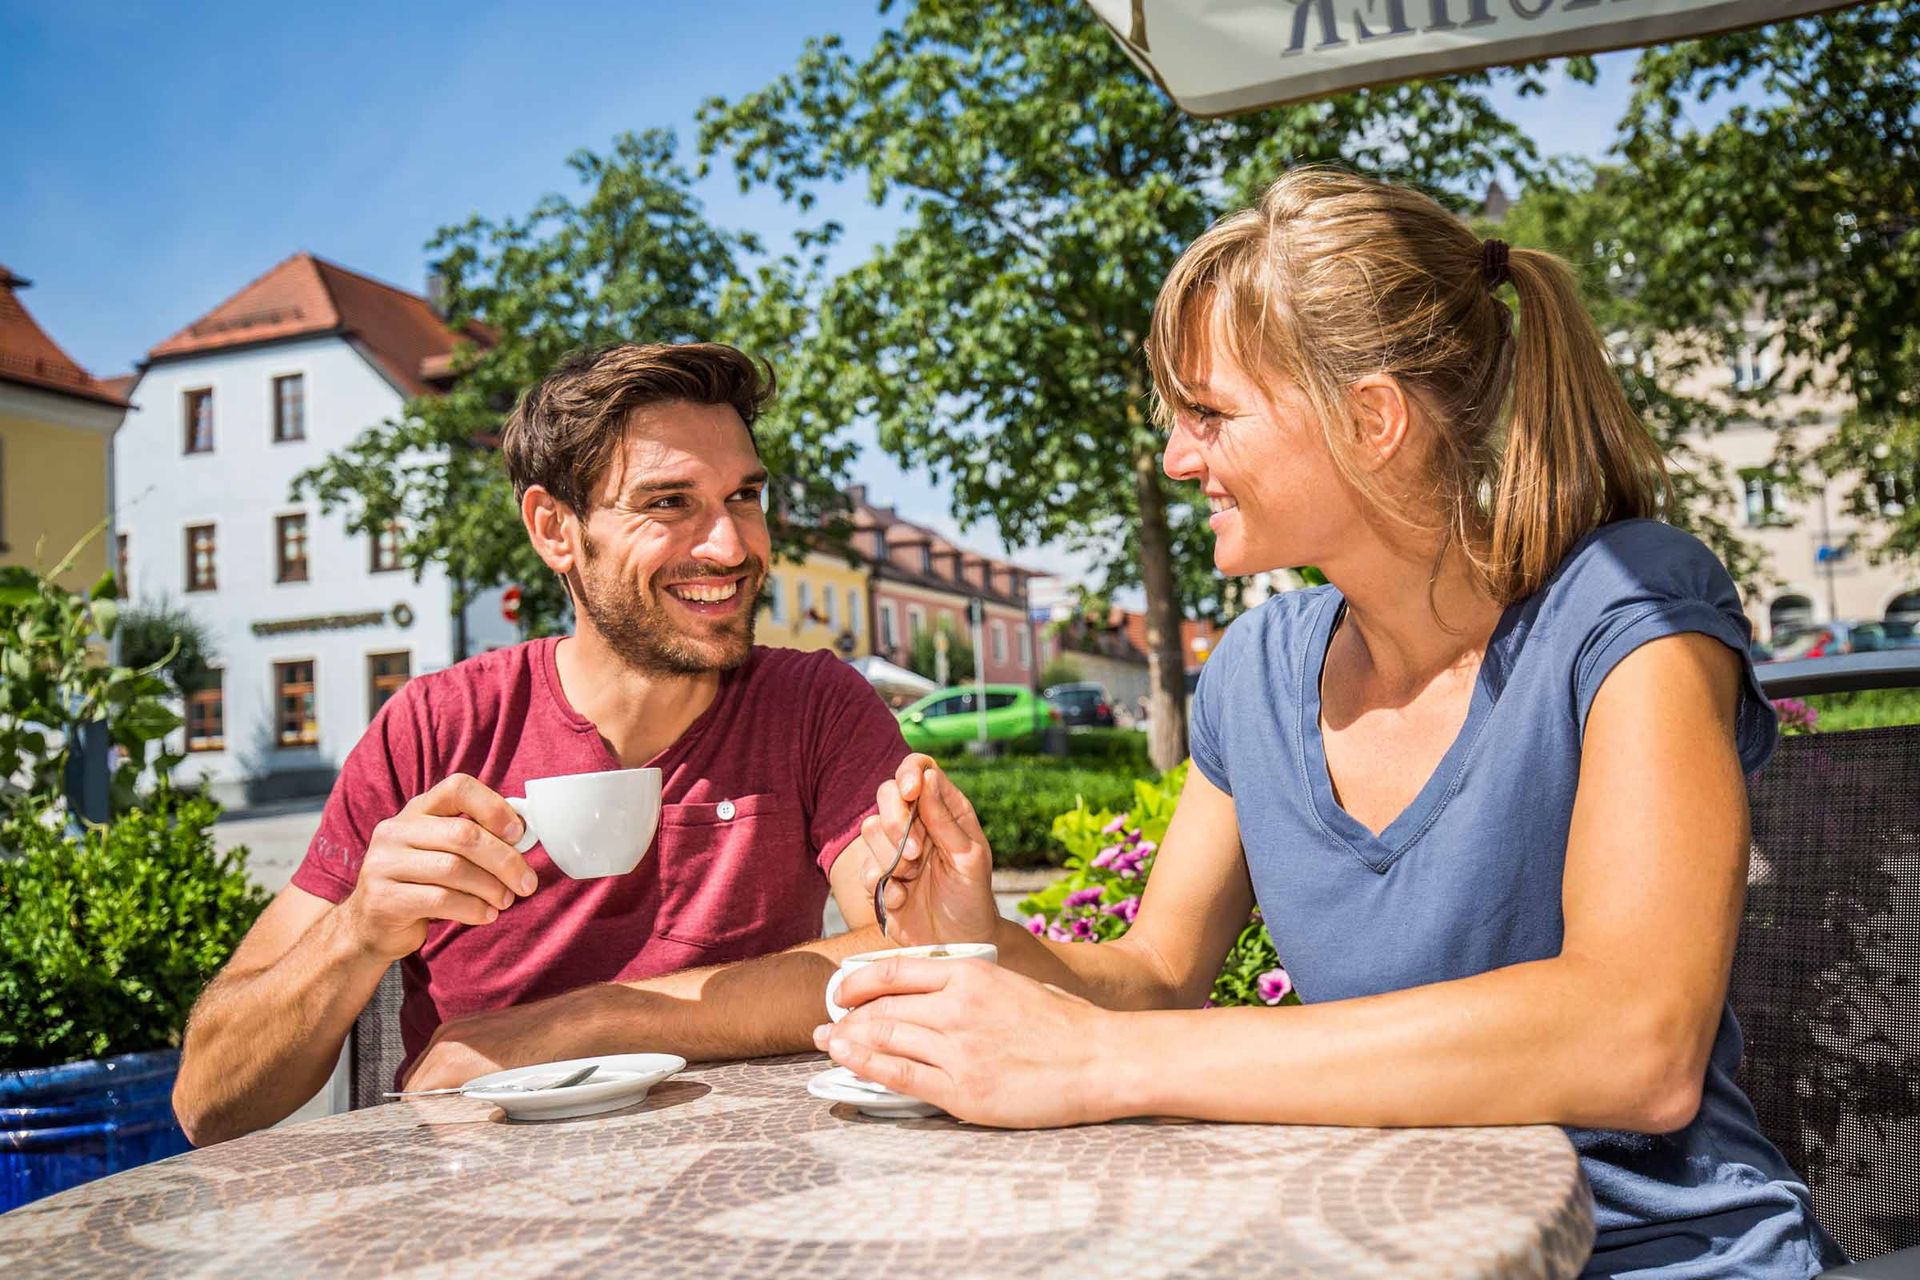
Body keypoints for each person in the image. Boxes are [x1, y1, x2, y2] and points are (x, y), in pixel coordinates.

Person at [823, 170, 1845, 1278]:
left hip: (1661, 1255)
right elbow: (1159, 970)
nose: (1174, 456)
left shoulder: (1627, 607)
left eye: (1209, 413)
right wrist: (989, 938)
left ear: (1371, 418)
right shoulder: (1257, 668)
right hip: (1378, 1245)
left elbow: (1635, 1040)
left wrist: (1108, 1060)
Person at [174, 342, 909, 1144]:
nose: (731, 548)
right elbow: (209, 1105)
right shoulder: (434, 730)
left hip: (749, 1184)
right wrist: (356, 932)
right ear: (555, 529)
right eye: (668, 503)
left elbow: (913, 954)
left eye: (744, 496)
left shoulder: (813, 706)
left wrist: (588, 1021)